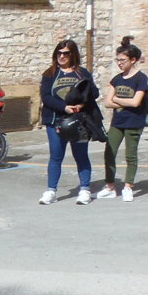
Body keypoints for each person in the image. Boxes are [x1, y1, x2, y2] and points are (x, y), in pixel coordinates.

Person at [38, 39, 100, 205]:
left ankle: (85, 190)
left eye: (66, 53)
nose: (62, 56)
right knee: (56, 156)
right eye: (59, 53)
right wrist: (64, 107)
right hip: (56, 121)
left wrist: (82, 104)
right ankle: (51, 191)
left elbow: (94, 93)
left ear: (73, 54)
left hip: (78, 121)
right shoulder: (49, 74)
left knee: (81, 155)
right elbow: (46, 97)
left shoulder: (82, 73)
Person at [99, 36, 148, 202]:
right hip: (118, 122)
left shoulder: (141, 78)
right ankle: (110, 186)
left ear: (133, 60)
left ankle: (128, 187)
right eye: (118, 60)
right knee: (109, 152)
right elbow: (107, 103)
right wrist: (122, 101)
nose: (119, 63)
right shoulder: (117, 79)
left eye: (122, 60)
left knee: (130, 155)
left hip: (134, 122)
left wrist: (117, 99)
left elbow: (136, 102)